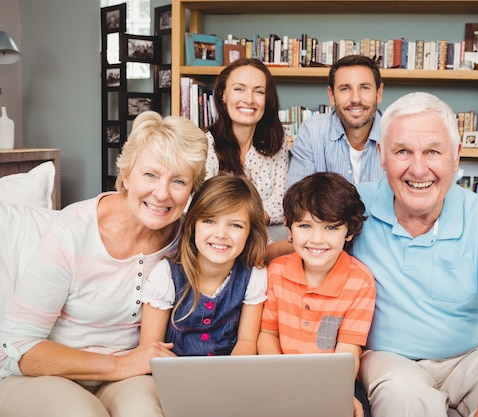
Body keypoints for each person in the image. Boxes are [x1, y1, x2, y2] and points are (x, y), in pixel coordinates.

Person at [352, 92, 478, 417]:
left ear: (456, 156)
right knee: (404, 400)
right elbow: (300, 245)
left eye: (433, 151)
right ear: (381, 155)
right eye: (402, 151)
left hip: (470, 353)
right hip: (388, 356)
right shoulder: (352, 206)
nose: (418, 169)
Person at [0, 111, 208, 417]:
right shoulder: (73, 230)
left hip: (125, 379)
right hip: (42, 375)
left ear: (191, 190)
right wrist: (121, 363)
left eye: (178, 181)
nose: (162, 193)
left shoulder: (190, 236)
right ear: (125, 174)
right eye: (150, 175)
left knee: (144, 412)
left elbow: (249, 251)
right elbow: (19, 344)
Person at [258, 172, 376, 417]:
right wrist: (282, 381)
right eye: (305, 226)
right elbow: (267, 334)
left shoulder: (360, 281)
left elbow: (348, 351)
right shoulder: (276, 272)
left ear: (349, 231)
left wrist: (337, 392)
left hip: (329, 385)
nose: (317, 239)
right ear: (289, 228)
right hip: (279, 380)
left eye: (331, 227)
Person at [140, 174, 268, 357]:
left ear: (250, 233)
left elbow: (246, 342)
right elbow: (150, 350)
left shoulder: (253, 275)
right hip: (175, 376)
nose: (221, 234)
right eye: (209, 221)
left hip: (229, 375)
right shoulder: (166, 275)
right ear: (193, 225)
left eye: (236, 225)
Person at [206, 57, 288, 226]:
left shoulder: (277, 142)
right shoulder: (205, 144)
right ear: (223, 95)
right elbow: (206, 206)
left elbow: (283, 204)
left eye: (259, 91)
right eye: (239, 89)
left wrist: (242, 221)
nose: (249, 99)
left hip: (266, 242)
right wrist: (256, 217)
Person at [286, 55, 385, 188]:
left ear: (379, 93)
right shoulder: (311, 132)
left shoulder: (399, 132)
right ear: (332, 96)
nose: (355, 99)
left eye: (364, 88)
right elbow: (297, 202)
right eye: (345, 88)